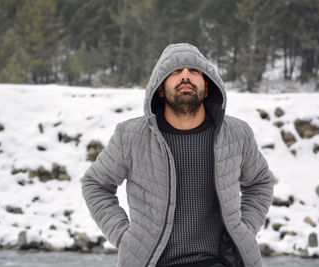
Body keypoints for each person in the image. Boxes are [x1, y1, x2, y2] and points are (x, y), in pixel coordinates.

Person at [81, 43, 274, 267]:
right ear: (160, 88)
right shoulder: (130, 136)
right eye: (175, 71)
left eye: (194, 71)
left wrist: (245, 229)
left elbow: (260, 181)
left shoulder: (237, 133)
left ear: (207, 86)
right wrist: (125, 237)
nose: (185, 76)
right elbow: (95, 183)